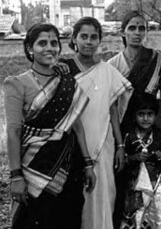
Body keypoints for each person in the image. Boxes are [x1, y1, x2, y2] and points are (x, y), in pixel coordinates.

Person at [4, 23, 96, 229]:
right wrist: (16, 175)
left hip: (67, 165)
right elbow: (13, 131)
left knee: (67, 219)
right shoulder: (16, 83)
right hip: (32, 169)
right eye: (42, 43)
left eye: (54, 43)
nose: (49, 48)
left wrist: (88, 164)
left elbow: (76, 125)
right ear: (30, 48)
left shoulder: (67, 81)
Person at [59, 16, 133, 229]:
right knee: (74, 198)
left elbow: (113, 111)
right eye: (83, 37)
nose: (88, 42)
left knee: (103, 195)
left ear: (100, 40)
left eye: (94, 37)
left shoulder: (107, 71)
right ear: (74, 39)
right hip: (71, 146)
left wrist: (120, 145)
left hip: (104, 144)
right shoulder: (63, 69)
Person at [108, 10, 161, 228]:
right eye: (132, 28)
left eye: (142, 28)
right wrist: (118, 143)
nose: (137, 33)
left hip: (152, 128)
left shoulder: (157, 60)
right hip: (124, 132)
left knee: (158, 184)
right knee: (125, 186)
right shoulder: (112, 66)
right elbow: (110, 107)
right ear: (123, 32)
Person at [120, 92, 161, 229]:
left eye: (150, 114)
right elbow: (120, 161)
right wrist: (133, 158)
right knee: (136, 217)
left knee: (159, 215)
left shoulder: (160, 135)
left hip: (157, 184)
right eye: (141, 114)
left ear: (155, 115)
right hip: (134, 186)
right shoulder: (128, 136)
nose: (145, 119)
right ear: (134, 115)